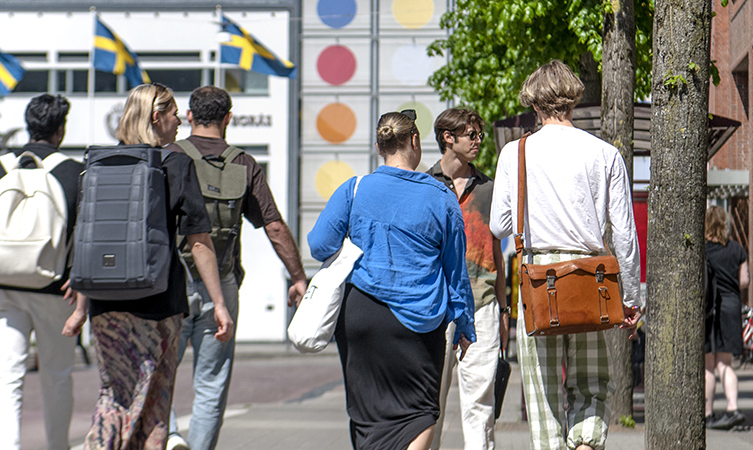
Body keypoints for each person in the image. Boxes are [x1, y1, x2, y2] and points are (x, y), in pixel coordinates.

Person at [62, 82, 234, 450]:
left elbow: (89, 239)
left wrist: (79, 309)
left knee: (114, 393)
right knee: (155, 401)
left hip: (105, 305)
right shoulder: (175, 163)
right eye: (174, 115)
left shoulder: (96, 163)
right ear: (157, 117)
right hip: (159, 301)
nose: (179, 123)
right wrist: (219, 303)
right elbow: (198, 240)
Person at [488, 60, 642, 450]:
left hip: (539, 275)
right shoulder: (605, 153)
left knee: (542, 387)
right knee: (591, 381)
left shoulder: (515, 152)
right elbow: (624, 233)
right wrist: (631, 297)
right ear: (573, 99)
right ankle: (586, 443)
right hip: (592, 275)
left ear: (534, 103)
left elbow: (499, 226)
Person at [308, 111, 476, 450]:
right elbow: (455, 269)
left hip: (361, 314)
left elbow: (319, 245)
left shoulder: (354, 189)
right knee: (422, 412)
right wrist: (464, 323)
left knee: (368, 416)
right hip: (419, 320)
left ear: (378, 147)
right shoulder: (440, 197)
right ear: (415, 141)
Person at [164, 86, 310, 450]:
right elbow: (274, 226)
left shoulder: (169, 156)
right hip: (222, 285)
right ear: (228, 118)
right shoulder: (243, 164)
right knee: (211, 383)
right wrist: (297, 276)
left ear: (189, 116)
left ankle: (169, 436)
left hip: (172, 284)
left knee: (159, 372)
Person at [0, 94, 84, 450]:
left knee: (7, 376)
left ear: (28, 125)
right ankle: (57, 446)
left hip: (5, 288)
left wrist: (7, 259)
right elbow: (87, 238)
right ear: (61, 130)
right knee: (57, 376)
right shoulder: (74, 172)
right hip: (57, 290)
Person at [425, 108, 508, 450]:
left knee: (480, 406)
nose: (478, 142)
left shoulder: (490, 189)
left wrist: (504, 309)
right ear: (448, 137)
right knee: (430, 405)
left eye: (479, 135)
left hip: (481, 306)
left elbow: (497, 252)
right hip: (434, 308)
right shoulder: (424, 186)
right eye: (471, 135)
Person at [703, 206, 749, 429]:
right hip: (731, 306)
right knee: (725, 363)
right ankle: (733, 408)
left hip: (709, 308)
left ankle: (707, 414)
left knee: (708, 365)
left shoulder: (703, 250)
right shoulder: (736, 249)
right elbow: (744, 281)